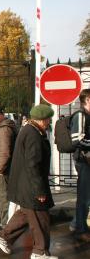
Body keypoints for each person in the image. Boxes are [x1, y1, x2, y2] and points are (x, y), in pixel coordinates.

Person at [0, 104, 57, 259]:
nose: (49, 122)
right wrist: (39, 190)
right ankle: (40, 252)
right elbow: (33, 164)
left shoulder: (29, 130)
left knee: (25, 214)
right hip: (30, 186)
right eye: (48, 119)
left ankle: (3, 236)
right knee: (41, 217)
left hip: (24, 184)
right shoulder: (33, 134)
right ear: (42, 120)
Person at [69, 89, 90, 242]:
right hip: (83, 161)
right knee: (84, 197)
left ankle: (77, 224)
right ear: (87, 100)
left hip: (87, 160)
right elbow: (77, 141)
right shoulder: (80, 115)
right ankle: (80, 229)